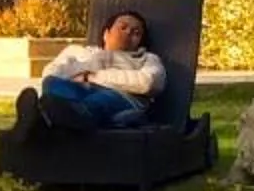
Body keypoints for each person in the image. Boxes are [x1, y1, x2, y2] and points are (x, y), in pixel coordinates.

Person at [33, 9, 165, 132]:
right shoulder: (77, 52)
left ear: (140, 42)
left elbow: (149, 82)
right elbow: (51, 73)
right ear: (106, 34)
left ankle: (43, 120)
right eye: (123, 27)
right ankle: (64, 116)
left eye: (136, 32)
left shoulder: (147, 58)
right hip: (77, 92)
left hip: (121, 97)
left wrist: (92, 77)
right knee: (52, 83)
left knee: (99, 100)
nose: (128, 32)